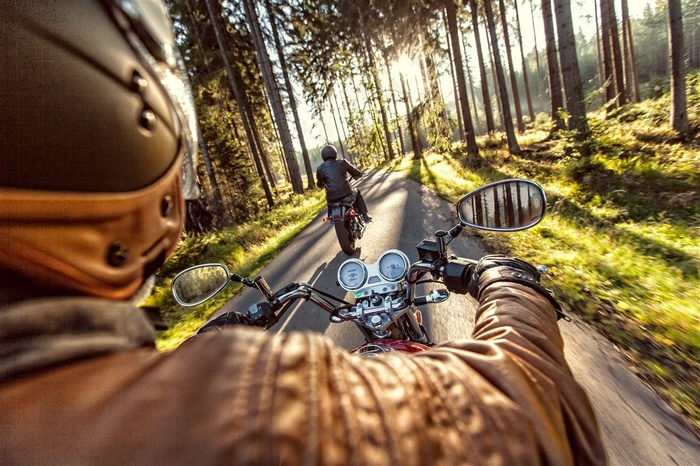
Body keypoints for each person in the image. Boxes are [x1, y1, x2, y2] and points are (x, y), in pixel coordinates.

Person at [0, 2, 606, 464]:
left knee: (349, 204)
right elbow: (531, 408)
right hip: (357, 214)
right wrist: (509, 280)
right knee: (357, 201)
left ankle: (351, 222)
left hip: (333, 206)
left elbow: (334, 186)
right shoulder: (243, 410)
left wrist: (227, 323)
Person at [316, 145, 372, 223]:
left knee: (330, 206)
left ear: (323, 156)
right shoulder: (342, 162)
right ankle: (365, 216)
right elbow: (355, 172)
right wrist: (359, 174)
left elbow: (319, 183)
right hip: (346, 195)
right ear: (334, 153)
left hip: (332, 200)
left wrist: (321, 185)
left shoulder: (320, 169)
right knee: (357, 191)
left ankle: (331, 216)